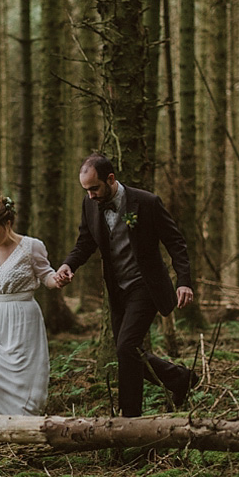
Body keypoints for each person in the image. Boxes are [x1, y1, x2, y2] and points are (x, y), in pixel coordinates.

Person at [55, 153, 199, 417]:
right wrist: (68, 265)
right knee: (130, 351)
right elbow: (85, 243)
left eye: (94, 188)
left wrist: (184, 282)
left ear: (110, 179)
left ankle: (129, 416)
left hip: (145, 286)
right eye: (86, 190)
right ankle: (181, 379)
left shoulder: (146, 202)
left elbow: (175, 242)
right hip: (117, 291)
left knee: (125, 347)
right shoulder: (89, 206)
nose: (90, 196)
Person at [0, 195, 61, 415]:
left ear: (7, 224)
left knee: (20, 380)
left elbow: (46, 276)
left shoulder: (31, 247)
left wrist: (58, 279)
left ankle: (19, 430)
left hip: (23, 319)